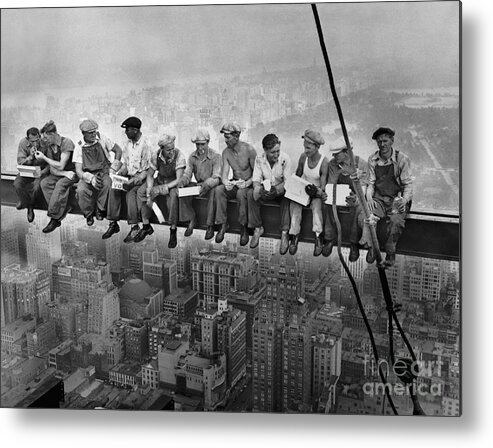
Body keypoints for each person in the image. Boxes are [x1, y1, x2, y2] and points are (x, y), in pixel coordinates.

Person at [355, 127, 413, 267]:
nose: (382, 144)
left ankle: (390, 252)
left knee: (395, 221)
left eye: (385, 141)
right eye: (379, 141)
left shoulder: (401, 159)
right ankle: (371, 246)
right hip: (379, 198)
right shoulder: (373, 159)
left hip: (397, 199)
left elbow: (408, 185)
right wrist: (369, 198)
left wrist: (404, 201)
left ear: (392, 141)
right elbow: (371, 183)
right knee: (366, 215)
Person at [73, 119, 123, 239]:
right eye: (90, 133)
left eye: (94, 131)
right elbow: (79, 171)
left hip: (104, 171)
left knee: (108, 185)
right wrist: (90, 179)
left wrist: (113, 169)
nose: (93, 134)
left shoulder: (102, 138)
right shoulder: (79, 146)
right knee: (81, 190)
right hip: (88, 174)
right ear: (83, 134)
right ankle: (89, 214)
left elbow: (118, 150)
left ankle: (101, 210)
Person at [135, 133, 186, 248]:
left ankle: (173, 230)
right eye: (168, 150)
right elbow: (149, 175)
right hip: (160, 179)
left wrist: (164, 188)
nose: (171, 152)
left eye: (172, 148)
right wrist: (149, 191)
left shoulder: (179, 156)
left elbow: (178, 179)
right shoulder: (155, 156)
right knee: (141, 192)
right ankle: (146, 225)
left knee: (173, 197)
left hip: (172, 183)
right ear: (162, 149)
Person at [322, 136, 368, 259]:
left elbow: (363, 189)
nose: (334, 157)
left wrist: (356, 199)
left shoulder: (361, 163)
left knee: (358, 207)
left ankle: (354, 243)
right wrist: (329, 194)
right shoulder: (333, 164)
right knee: (328, 203)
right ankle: (329, 238)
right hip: (339, 193)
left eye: (337, 154)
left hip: (355, 196)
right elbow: (331, 184)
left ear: (347, 152)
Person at [288, 129, 329, 256]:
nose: (306, 151)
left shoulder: (323, 162)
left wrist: (316, 191)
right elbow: (298, 174)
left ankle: (318, 236)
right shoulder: (303, 157)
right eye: (305, 147)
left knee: (316, 208)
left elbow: (323, 186)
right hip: (304, 189)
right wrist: (293, 186)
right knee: (295, 205)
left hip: (315, 192)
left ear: (317, 147)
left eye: (309, 148)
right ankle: (294, 235)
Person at [214, 122, 256, 246]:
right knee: (219, 190)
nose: (225, 140)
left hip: (248, 185)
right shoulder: (226, 152)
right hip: (236, 182)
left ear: (236, 136)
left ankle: (243, 227)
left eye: (228, 137)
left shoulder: (249, 150)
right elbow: (224, 173)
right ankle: (223, 224)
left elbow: (257, 174)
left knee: (241, 194)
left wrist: (247, 183)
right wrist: (226, 183)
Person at [248, 133, 291, 252]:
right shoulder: (259, 159)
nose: (276, 155)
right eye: (273, 152)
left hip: (280, 191)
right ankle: (258, 228)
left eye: (278, 151)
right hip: (266, 190)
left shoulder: (285, 159)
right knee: (252, 195)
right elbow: (256, 179)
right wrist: (259, 189)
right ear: (265, 150)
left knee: (287, 198)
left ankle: (284, 232)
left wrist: (277, 190)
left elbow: (288, 182)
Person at [178, 129, 221, 240]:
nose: (200, 147)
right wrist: (183, 181)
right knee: (183, 191)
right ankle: (192, 218)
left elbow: (217, 177)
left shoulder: (216, 156)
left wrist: (207, 184)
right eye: (198, 145)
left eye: (202, 144)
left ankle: (210, 225)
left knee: (213, 193)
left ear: (208, 142)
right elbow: (188, 173)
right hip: (199, 185)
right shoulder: (192, 157)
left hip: (211, 185)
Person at [35, 120, 77, 233]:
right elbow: (53, 168)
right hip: (63, 174)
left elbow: (61, 165)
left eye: (46, 137)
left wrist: (44, 158)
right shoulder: (50, 146)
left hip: (73, 173)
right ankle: (63, 209)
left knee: (60, 185)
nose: (45, 140)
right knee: (45, 183)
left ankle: (54, 218)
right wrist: (63, 173)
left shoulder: (66, 142)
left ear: (52, 134)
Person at [117, 116, 153, 243]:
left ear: (136, 130)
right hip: (132, 178)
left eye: (128, 130)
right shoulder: (127, 145)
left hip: (144, 179)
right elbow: (125, 165)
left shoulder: (146, 145)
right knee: (129, 194)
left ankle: (143, 225)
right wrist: (119, 173)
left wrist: (133, 181)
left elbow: (147, 170)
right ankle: (135, 226)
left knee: (136, 194)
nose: (126, 132)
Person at [14, 127, 49, 223]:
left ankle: (29, 206)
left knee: (37, 187)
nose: (35, 143)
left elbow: (49, 164)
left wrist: (42, 172)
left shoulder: (45, 143)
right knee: (17, 184)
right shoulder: (23, 143)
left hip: (40, 171)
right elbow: (20, 162)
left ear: (39, 136)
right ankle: (26, 202)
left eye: (37, 140)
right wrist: (30, 157)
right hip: (27, 170)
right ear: (27, 139)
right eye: (32, 141)